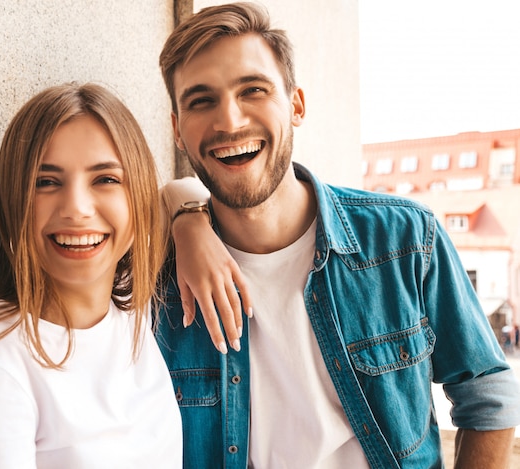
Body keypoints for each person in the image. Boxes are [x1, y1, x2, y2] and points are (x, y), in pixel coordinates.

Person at [155, 3, 520, 468]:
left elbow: (488, 395)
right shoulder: (158, 280)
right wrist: (184, 215)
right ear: (177, 130)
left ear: (296, 105)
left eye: (253, 90)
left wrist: (183, 211)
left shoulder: (405, 238)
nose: (229, 121)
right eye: (201, 100)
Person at [0, 83, 182, 468]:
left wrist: (191, 216)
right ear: (14, 201)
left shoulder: (126, 309)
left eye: (105, 179)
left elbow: (172, 195)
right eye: (46, 182)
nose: (76, 209)